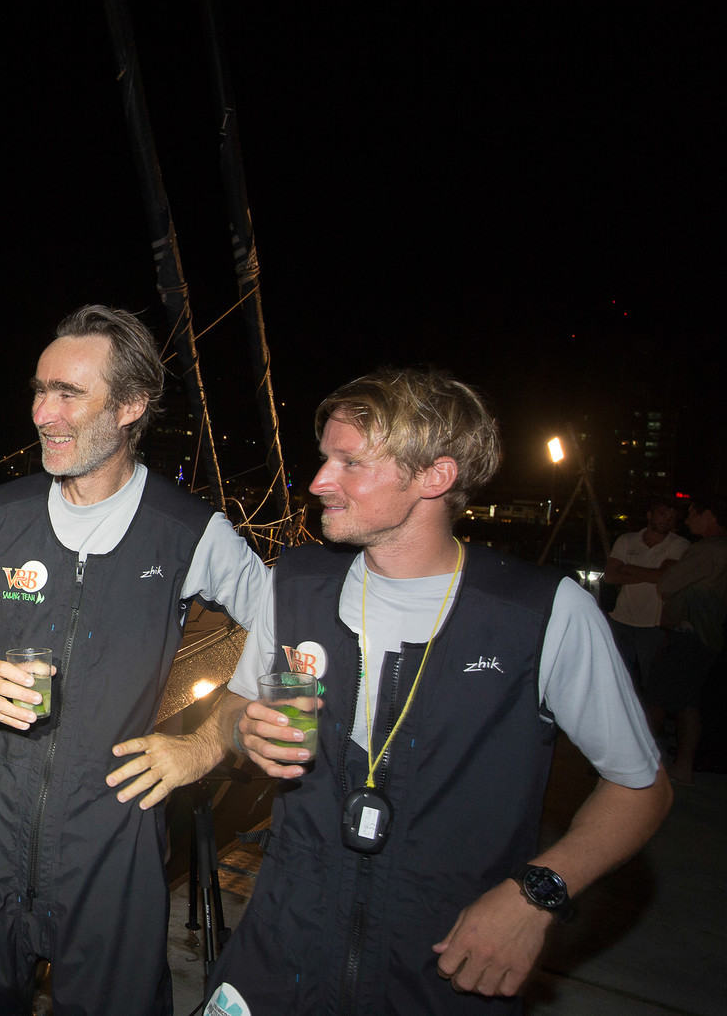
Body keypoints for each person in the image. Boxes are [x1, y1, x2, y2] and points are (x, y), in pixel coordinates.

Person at [187, 367, 671, 1015]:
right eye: (324, 457)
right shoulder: (295, 582)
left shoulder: (542, 613)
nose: (319, 481)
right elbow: (235, 709)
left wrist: (535, 896)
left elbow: (641, 791)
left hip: (444, 966)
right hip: (282, 948)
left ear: (434, 478)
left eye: (349, 462)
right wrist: (239, 726)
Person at [0, 305, 270, 1016]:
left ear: (132, 404)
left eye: (69, 394)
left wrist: (206, 745)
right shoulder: (2, 510)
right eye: (39, 390)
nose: (43, 413)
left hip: (111, 838)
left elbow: (290, 634)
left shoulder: (188, 531)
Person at [654, 491, 727, 784]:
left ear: (709, 515)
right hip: (710, 635)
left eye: (693, 513)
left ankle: (641, 763)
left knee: (656, 697)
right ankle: (682, 765)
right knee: (690, 702)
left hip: (688, 633)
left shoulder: (708, 548)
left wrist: (670, 569)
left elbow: (668, 584)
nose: (687, 520)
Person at [603, 498, 689, 689]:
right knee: (616, 679)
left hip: (654, 624)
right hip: (621, 619)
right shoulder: (627, 540)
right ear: (649, 514)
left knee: (652, 682)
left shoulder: (679, 544)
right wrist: (652, 574)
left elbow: (665, 577)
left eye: (673, 517)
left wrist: (627, 567)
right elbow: (610, 576)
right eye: (663, 514)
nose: (667, 521)